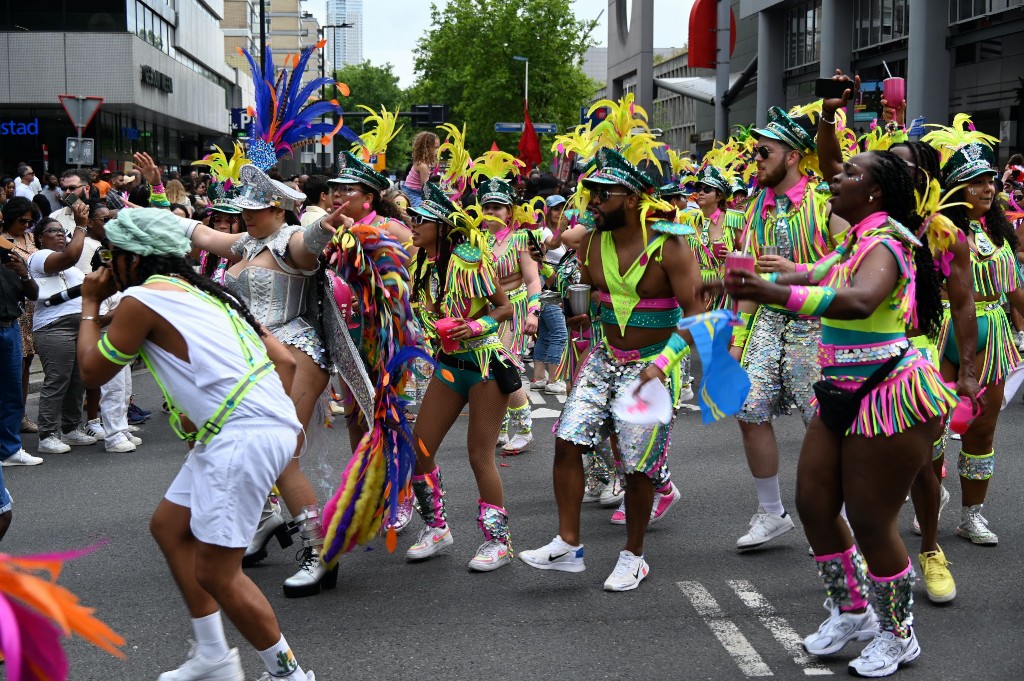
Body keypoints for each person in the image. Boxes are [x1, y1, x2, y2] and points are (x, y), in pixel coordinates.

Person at [724, 149, 956, 678]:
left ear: (874, 193)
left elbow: (857, 300)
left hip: (886, 394)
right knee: (813, 502)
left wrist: (772, 291)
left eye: (850, 174)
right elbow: (818, 274)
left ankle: (899, 635)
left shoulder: (888, 243)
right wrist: (773, 278)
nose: (836, 175)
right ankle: (853, 610)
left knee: (873, 521)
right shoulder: (853, 240)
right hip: (838, 388)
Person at [76, 207, 316, 681]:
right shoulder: (211, 294)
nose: (103, 267)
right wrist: (255, 415)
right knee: (169, 527)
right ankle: (213, 656)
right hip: (253, 429)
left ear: (133, 259)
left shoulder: (141, 301)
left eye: (110, 255)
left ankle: (289, 675)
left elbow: (91, 371)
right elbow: (285, 362)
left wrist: (89, 304)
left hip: (241, 435)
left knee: (217, 571)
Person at [137, 151, 342, 598]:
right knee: (243, 444)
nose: (246, 216)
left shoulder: (289, 240)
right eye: (243, 209)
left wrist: (323, 228)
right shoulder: (245, 246)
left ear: (277, 209)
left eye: (255, 209)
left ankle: (319, 551)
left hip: (298, 352)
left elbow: (308, 247)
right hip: (254, 356)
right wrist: (155, 191)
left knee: (281, 453)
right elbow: (194, 230)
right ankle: (267, 518)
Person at [520, 145, 704, 591]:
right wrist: (578, 312)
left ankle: (634, 555)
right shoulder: (593, 242)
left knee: (638, 468)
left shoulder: (670, 243)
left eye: (604, 194)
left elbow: (700, 317)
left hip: (654, 363)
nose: (594, 203)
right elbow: (592, 297)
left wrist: (662, 366)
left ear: (634, 197)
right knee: (567, 440)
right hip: (604, 357)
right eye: (592, 193)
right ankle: (568, 544)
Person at [731, 105, 845, 550]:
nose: (755, 159)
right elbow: (743, 270)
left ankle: (848, 515)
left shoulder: (825, 204)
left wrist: (799, 269)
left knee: (825, 422)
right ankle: (771, 512)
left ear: (794, 156)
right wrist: (738, 335)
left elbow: (857, 267)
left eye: (764, 151)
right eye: (755, 152)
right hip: (767, 322)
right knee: (749, 410)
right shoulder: (757, 204)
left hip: (817, 327)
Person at [402, 183, 518, 570]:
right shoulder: (420, 263)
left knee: (479, 456)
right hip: (449, 368)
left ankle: (497, 542)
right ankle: (437, 527)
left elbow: (503, 309)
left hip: (484, 367)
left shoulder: (468, 260)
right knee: (418, 447)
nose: (412, 224)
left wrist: (476, 325)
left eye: (420, 219)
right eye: (412, 217)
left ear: (441, 225)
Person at [922, 116, 1024, 547]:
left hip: (994, 333)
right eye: (975, 182)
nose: (987, 189)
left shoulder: (1000, 233)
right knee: (932, 430)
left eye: (989, 181)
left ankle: (971, 516)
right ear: (954, 189)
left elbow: (1014, 287)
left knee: (982, 430)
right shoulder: (937, 232)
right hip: (943, 330)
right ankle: (930, 499)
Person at [472, 152, 542, 454]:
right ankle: (499, 426)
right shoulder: (477, 241)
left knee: (504, 368)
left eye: (497, 207)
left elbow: (533, 280)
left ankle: (524, 428)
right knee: (487, 370)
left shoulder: (521, 239)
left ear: (508, 211)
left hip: (513, 311)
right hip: (488, 312)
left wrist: (534, 312)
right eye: (486, 206)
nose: (491, 212)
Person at [27, 212, 98, 454]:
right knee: (58, 379)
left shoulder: (73, 271)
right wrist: (80, 225)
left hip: (80, 327)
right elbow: (69, 256)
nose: (60, 235)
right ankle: (47, 435)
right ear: (39, 238)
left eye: (62, 231)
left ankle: (70, 429)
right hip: (54, 326)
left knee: (78, 380)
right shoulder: (39, 258)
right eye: (53, 231)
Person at [0, 231, 42, 472]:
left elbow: (33, 294)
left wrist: (24, 274)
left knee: (12, 393)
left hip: (11, 329)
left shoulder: (12, 263)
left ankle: (10, 449)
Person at [529, 194, 569, 394]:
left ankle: (538, 377)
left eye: (563, 208)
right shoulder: (543, 231)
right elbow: (551, 244)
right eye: (555, 209)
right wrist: (562, 229)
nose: (559, 213)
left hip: (552, 288)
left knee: (544, 333)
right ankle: (553, 379)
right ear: (547, 212)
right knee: (559, 333)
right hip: (546, 290)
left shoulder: (565, 233)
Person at [402, 131, 439, 208]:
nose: (438, 150)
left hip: (411, 192)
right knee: (426, 210)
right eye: (435, 148)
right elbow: (425, 189)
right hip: (412, 194)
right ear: (426, 148)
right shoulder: (423, 166)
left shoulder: (421, 162)